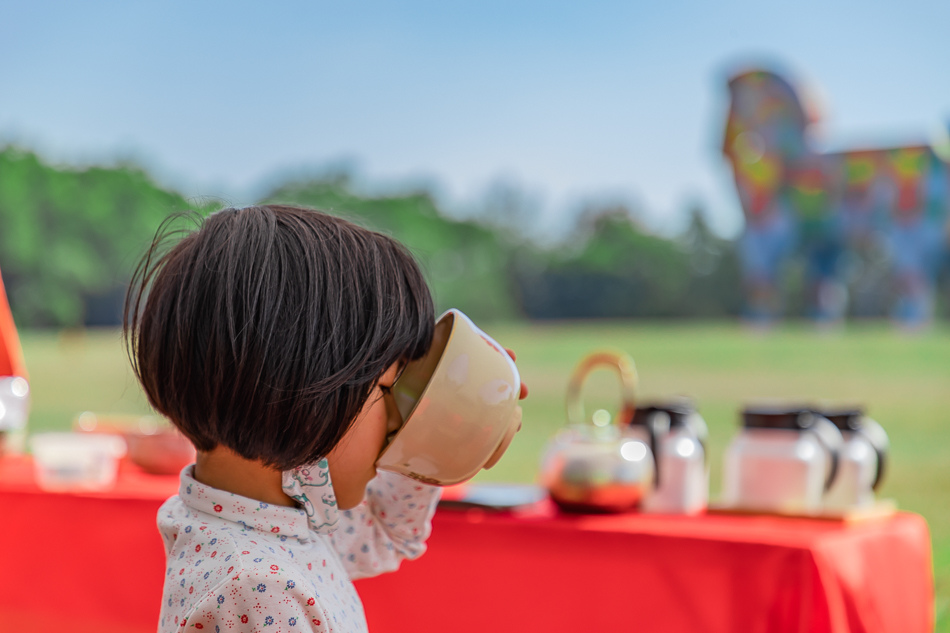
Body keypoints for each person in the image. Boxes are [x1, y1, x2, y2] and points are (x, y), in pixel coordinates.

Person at [124, 204, 524, 633]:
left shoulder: (276, 510)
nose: (397, 423)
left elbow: (386, 533)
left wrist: (438, 433)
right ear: (298, 391)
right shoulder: (260, 588)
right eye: (390, 390)